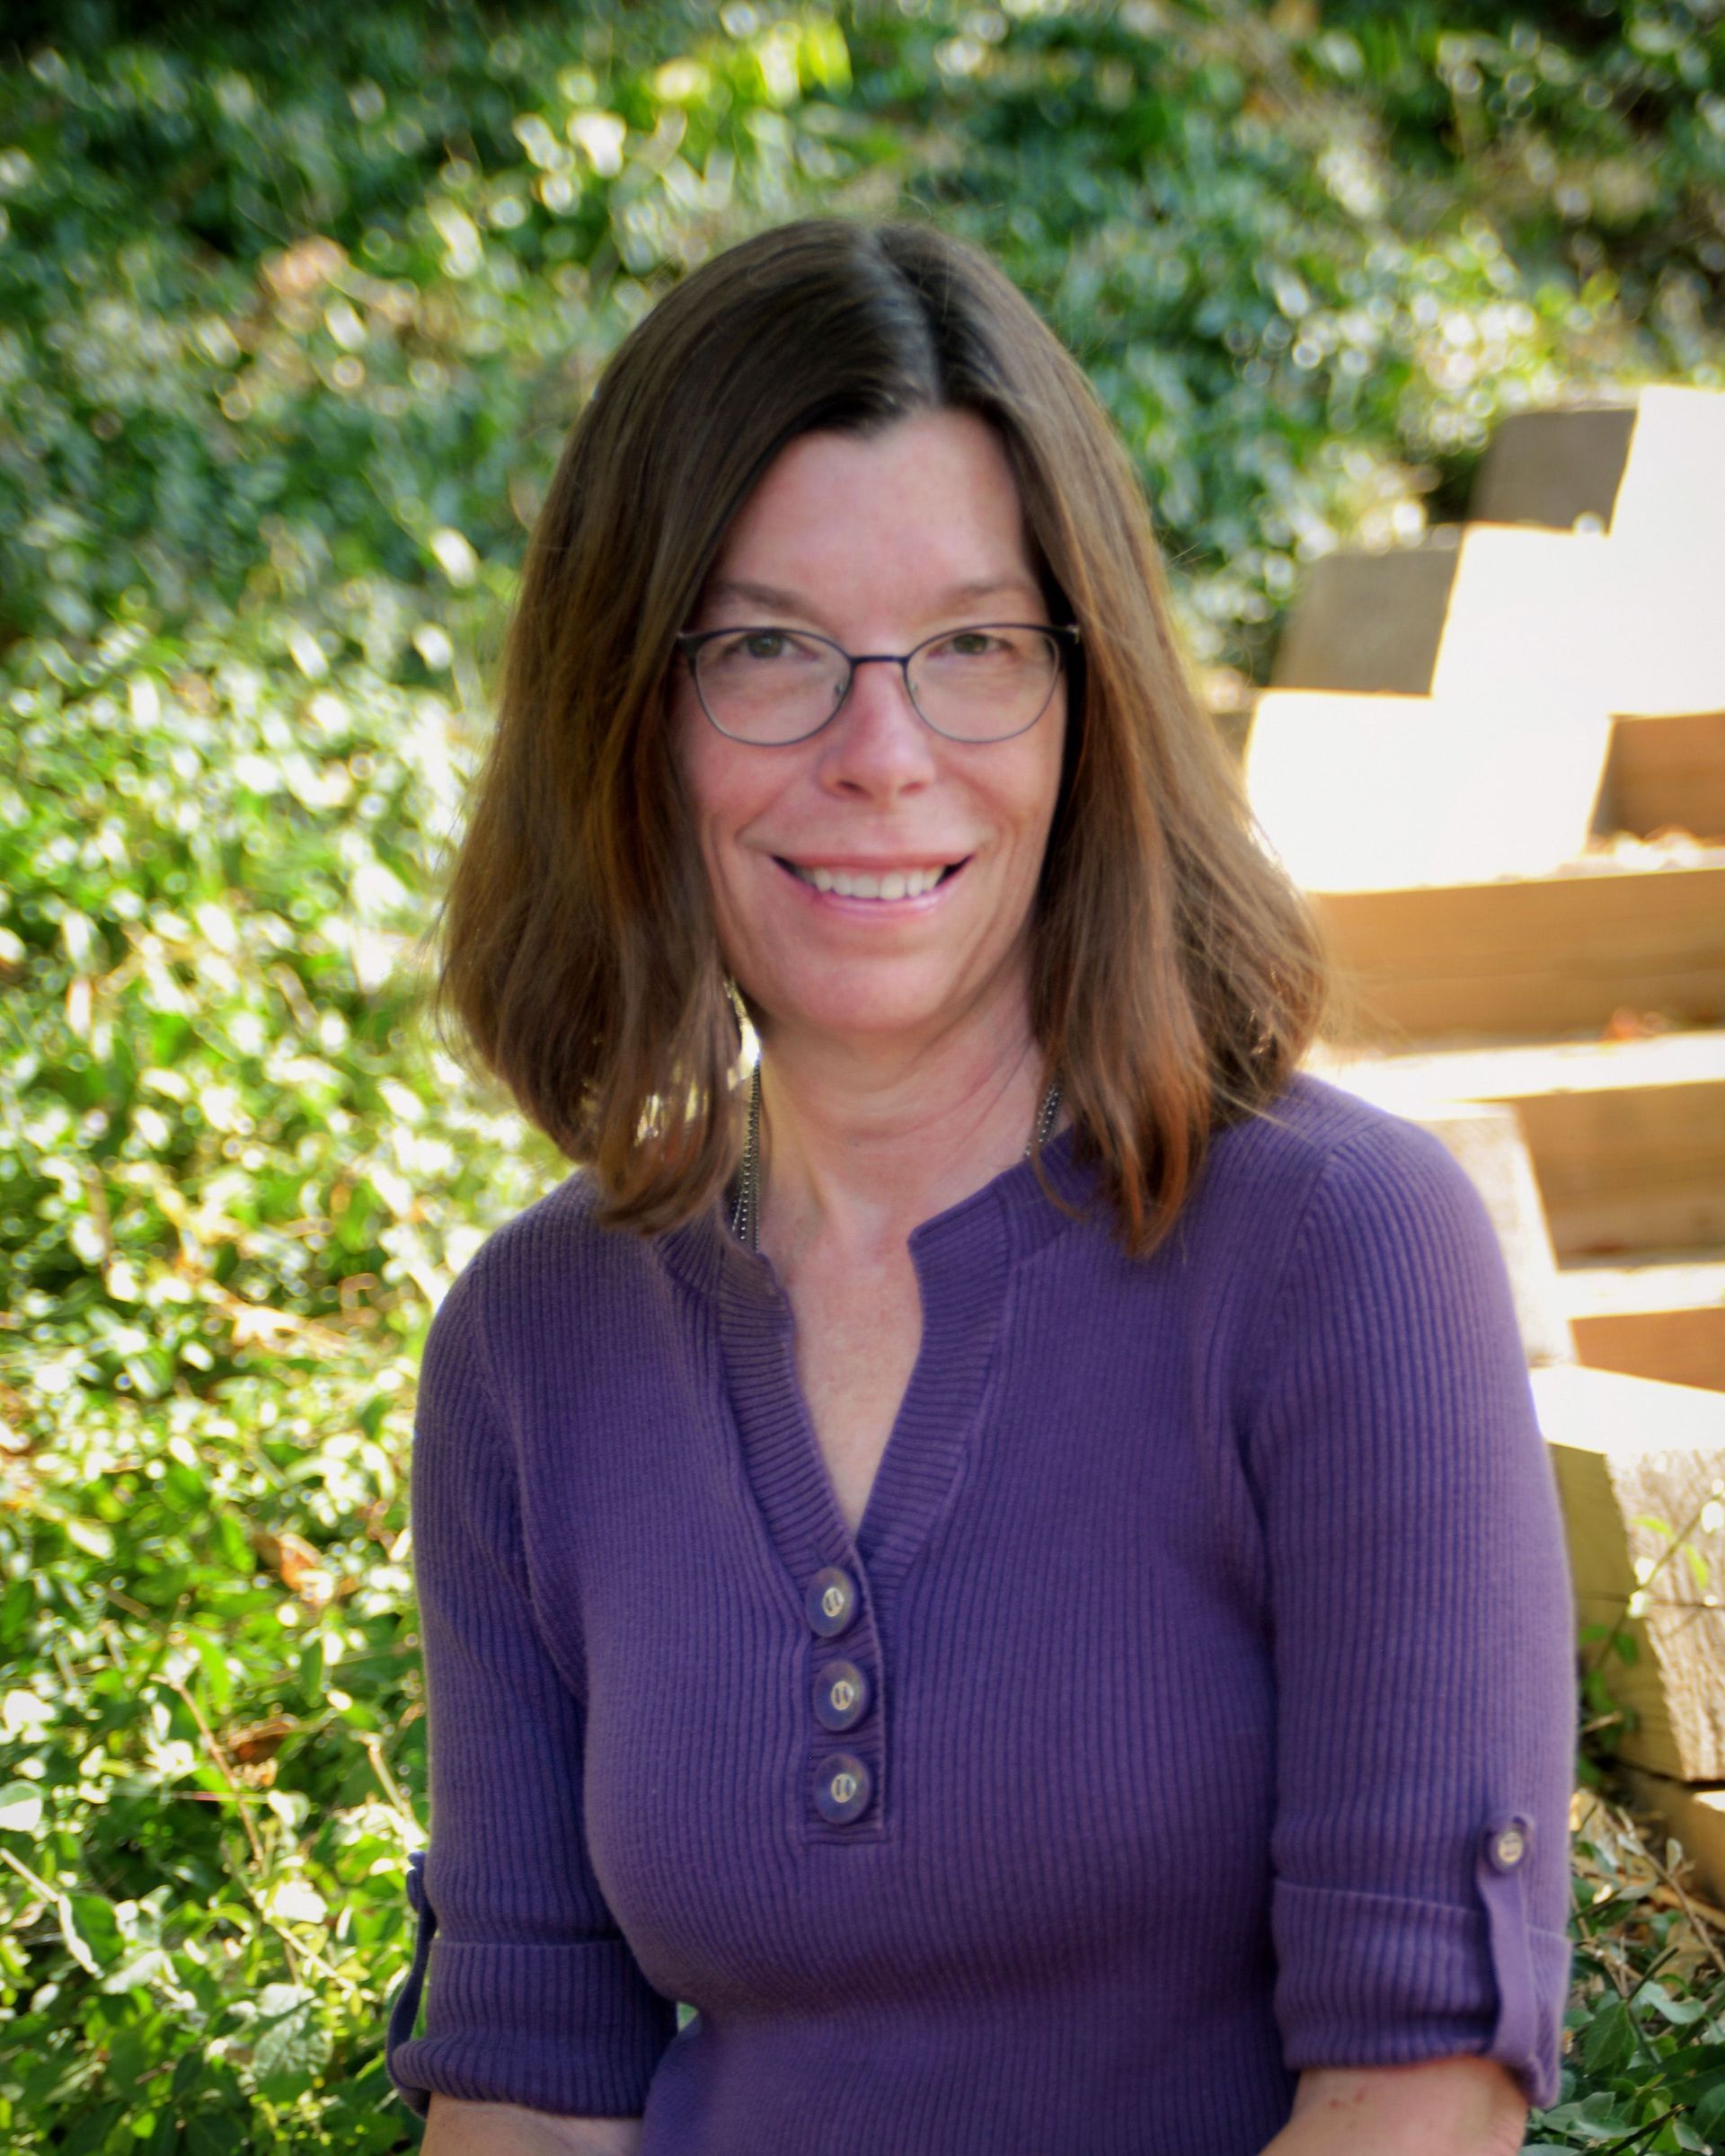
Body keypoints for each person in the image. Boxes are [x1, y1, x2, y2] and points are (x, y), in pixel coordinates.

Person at [383, 216, 1575, 2156]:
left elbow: (1418, 2093)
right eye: (766, 648)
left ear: (1086, 703)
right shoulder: (534, 1344)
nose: (882, 754)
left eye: (974, 650)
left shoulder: (1341, 1258)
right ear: (632, 711)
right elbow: (528, 2088)